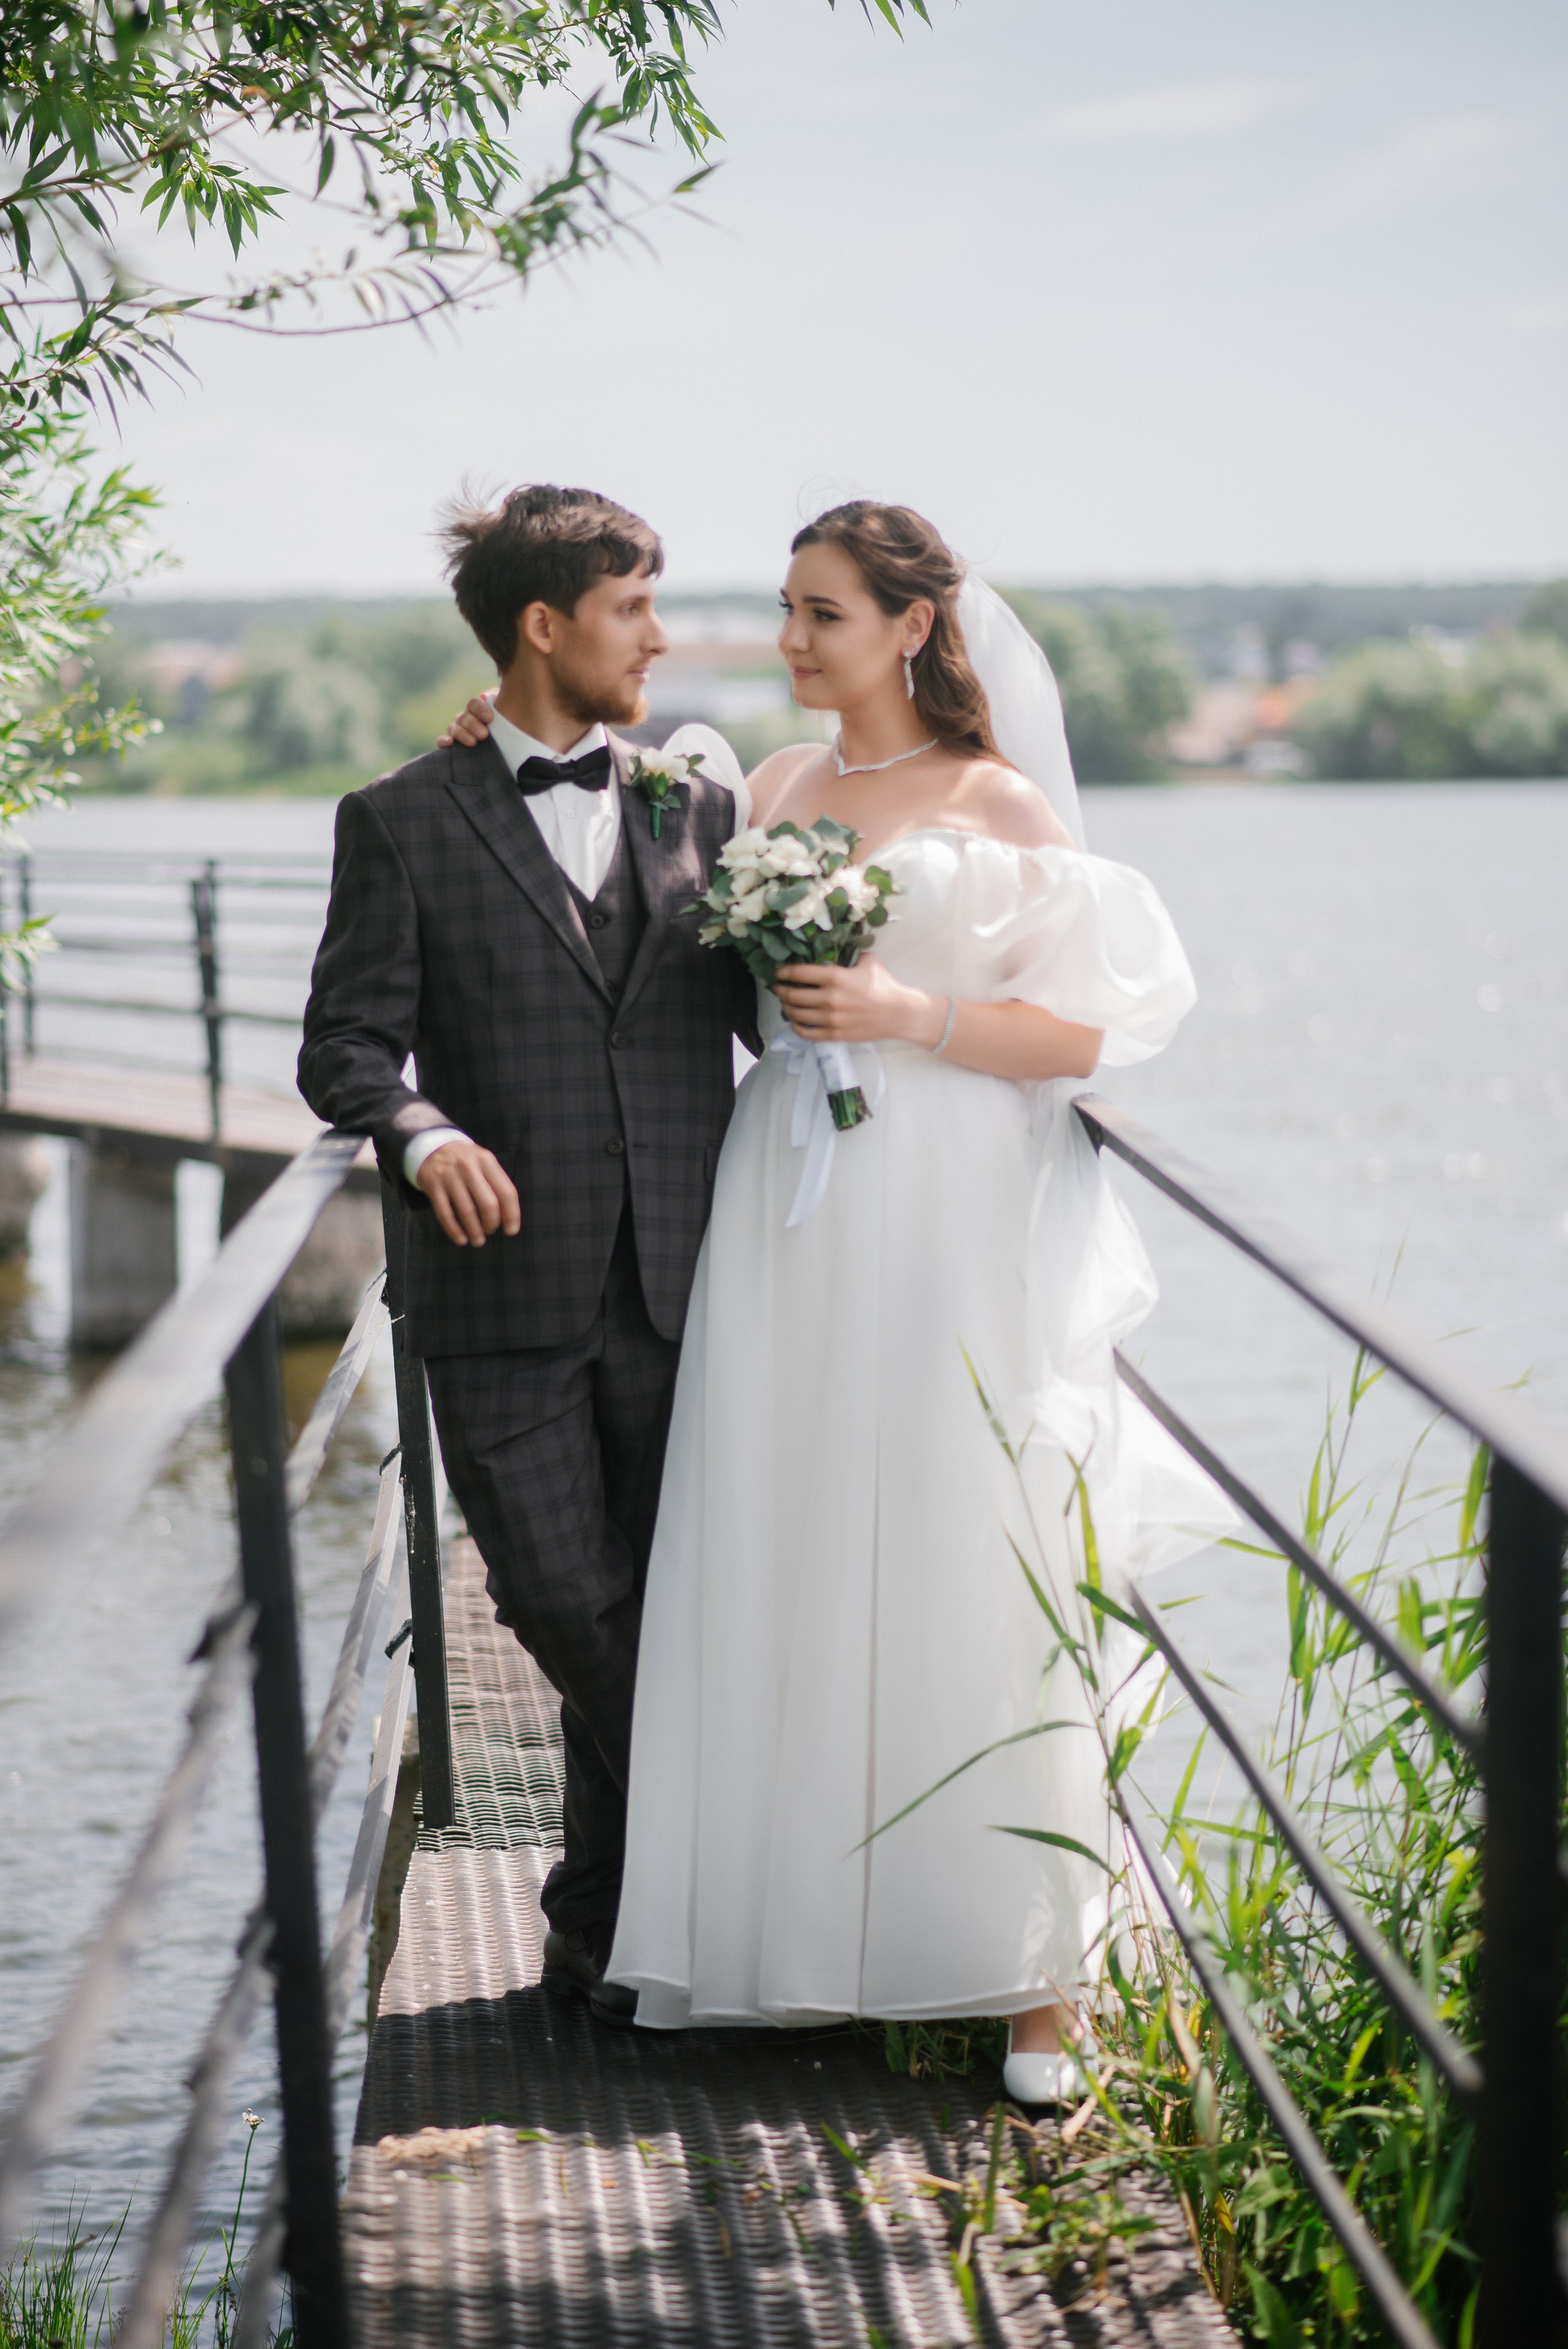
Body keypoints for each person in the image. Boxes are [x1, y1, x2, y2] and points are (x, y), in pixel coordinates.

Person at [445, 500, 1229, 2105]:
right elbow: (602, 831)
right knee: (784, 1545)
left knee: (967, 1538)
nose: (791, 643)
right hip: (781, 1206)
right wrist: (486, 735)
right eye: (788, 613)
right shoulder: (764, 788)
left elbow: (1092, 1034)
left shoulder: (996, 799)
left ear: (912, 628)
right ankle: (800, 1934)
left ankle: (1028, 1979)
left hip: (942, 1202)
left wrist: (911, 1008)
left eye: (824, 616)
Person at [297, 483, 760, 2029]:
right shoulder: (400, 819)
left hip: (690, 1289)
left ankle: (602, 1936)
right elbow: (346, 1043)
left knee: (656, 1599)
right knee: (570, 1602)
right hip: (499, 1300)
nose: (662, 633)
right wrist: (420, 1133)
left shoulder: (700, 809)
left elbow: (782, 1019)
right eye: (636, 606)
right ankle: (749, 1851)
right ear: (546, 626)